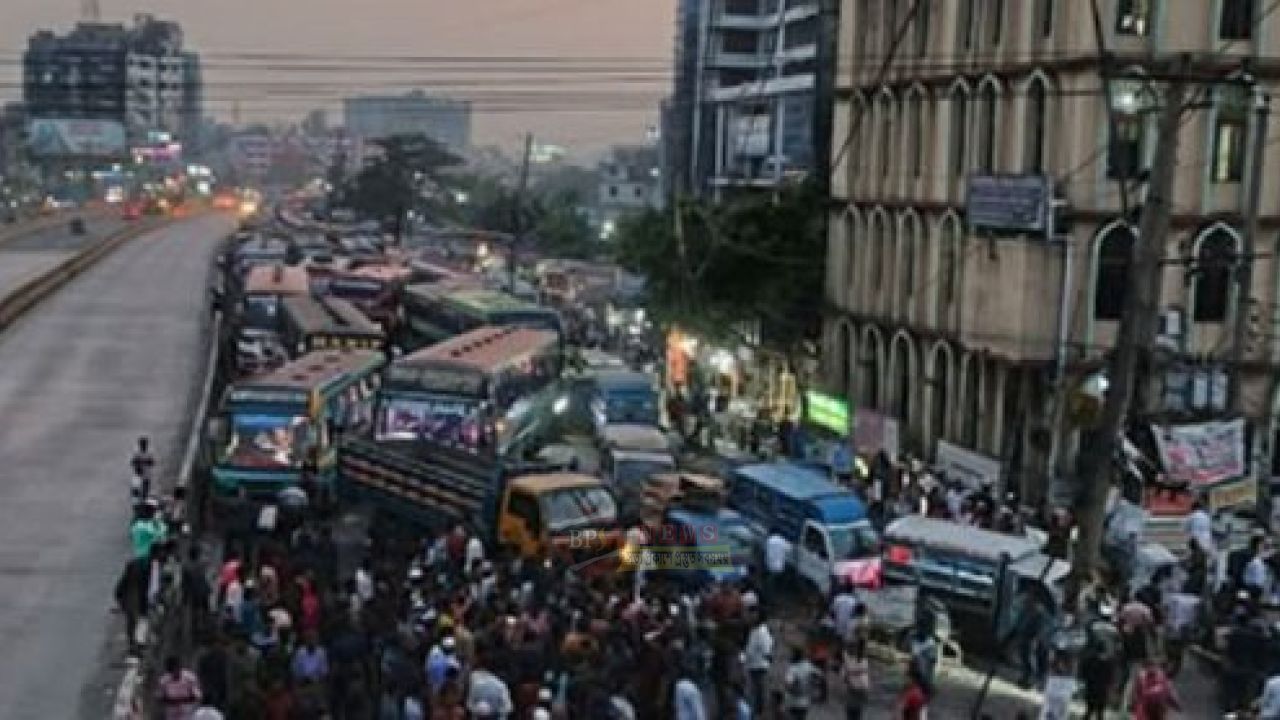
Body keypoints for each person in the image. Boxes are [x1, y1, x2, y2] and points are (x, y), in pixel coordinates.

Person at [743, 612, 774, 713]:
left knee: (758, 689)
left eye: (752, 616)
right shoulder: (755, 630)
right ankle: (758, 708)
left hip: (758, 664)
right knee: (756, 688)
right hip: (754, 663)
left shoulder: (761, 632)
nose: (750, 618)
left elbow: (766, 650)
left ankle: (759, 709)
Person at [157, 655, 202, 720]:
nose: (174, 674)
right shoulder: (164, 681)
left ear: (179, 668)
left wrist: (183, 701)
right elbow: (160, 697)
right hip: (172, 714)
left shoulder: (189, 678)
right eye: (171, 672)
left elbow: (197, 696)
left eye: (175, 670)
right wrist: (171, 701)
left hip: (188, 713)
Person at [783, 646, 818, 720]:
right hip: (806, 702)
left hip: (794, 702)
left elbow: (788, 684)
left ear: (794, 656)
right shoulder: (809, 666)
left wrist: (789, 689)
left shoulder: (793, 669)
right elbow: (818, 677)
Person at [842, 637, 871, 720]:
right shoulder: (863, 660)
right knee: (857, 711)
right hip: (861, 687)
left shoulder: (849, 659)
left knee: (852, 711)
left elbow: (845, 675)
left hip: (854, 687)